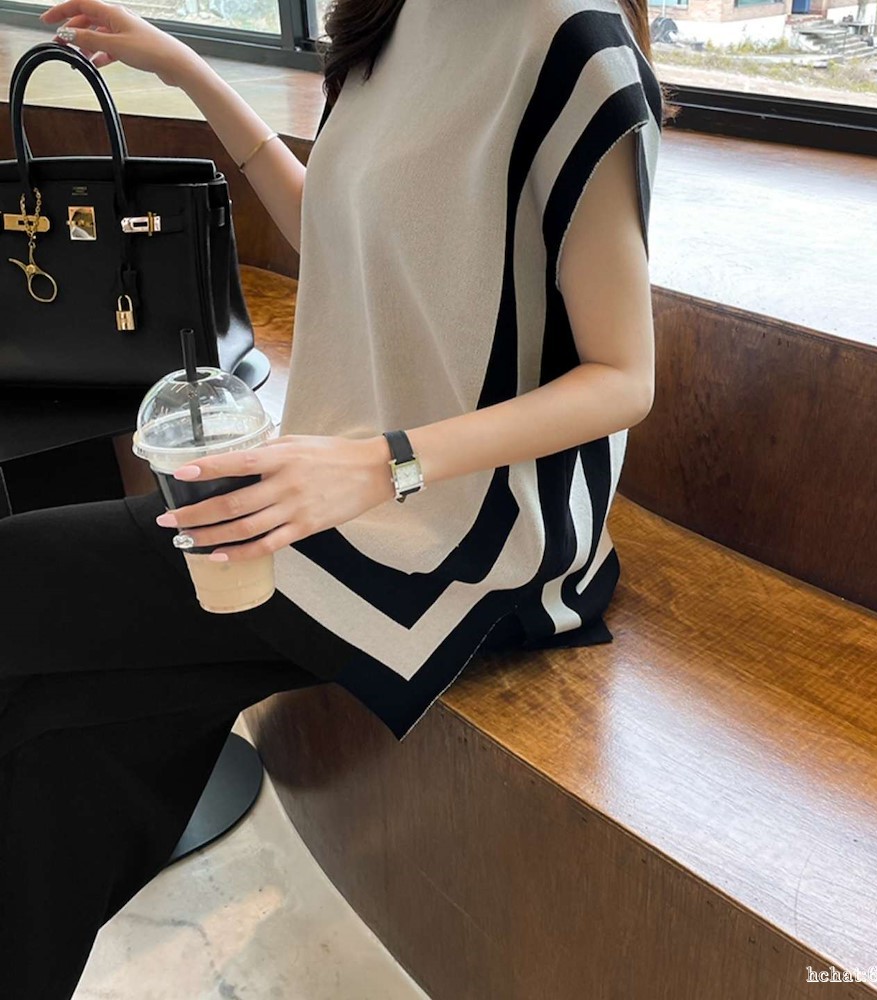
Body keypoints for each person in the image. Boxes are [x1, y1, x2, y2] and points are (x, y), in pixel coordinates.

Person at [1, 0, 665, 995]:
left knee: (18, 583)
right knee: (61, 746)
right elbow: (341, 230)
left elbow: (624, 377)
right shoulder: (394, 18)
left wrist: (377, 464)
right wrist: (186, 70)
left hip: (472, 532)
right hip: (331, 484)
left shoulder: (574, 48)